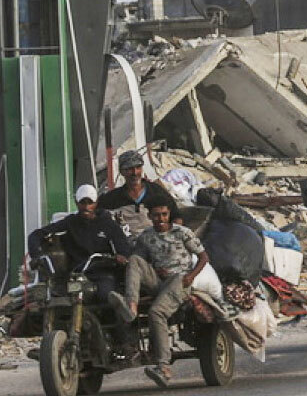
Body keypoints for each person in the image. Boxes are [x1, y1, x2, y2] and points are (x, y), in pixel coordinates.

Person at [108, 204, 209, 388]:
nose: (160, 219)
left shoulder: (182, 233)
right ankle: (131, 307)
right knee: (135, 261)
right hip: (159, 281)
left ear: (169, 214)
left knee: (156, 312)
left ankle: (164, 367)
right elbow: (139, 260)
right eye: (156, 215)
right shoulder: (146, 236)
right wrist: (126, 260)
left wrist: (190, 276)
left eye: (164, 214)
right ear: (150, 216)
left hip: (179, 281)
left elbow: (203, 257)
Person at [27, 184, 131, 303]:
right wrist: (36, 255)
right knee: (51, 298)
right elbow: (37, 234)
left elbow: (123, 246)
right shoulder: (70, 222)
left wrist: (121, 256)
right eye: (82, 202)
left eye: (90, 202)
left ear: (96, 203)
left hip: (101, 272)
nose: (86, 207)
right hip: (75, 273)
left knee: (105, 294)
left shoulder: (108, 224)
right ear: (76, 203)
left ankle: (119, 312)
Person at [98, 151, 181, 237]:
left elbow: (176, 216)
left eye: (138, 167)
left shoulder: (156, 191)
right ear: (122, 172)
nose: (135, 172)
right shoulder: (113, 198)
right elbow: (97, 218)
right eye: (129, 169)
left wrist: (170, 236)